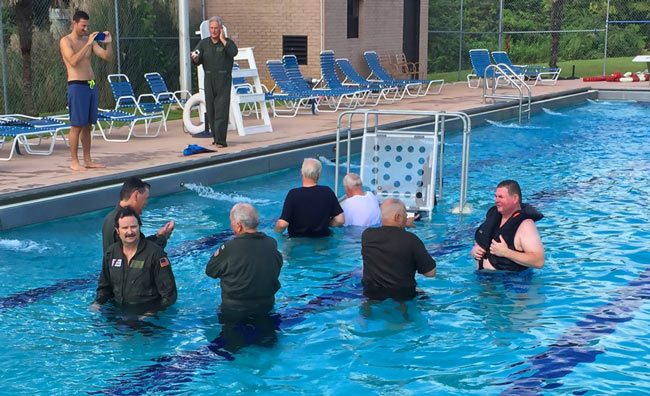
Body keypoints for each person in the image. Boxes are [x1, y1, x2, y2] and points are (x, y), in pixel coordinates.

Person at [206, 203, 283, 315]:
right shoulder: (271, 243)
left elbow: (210, 271)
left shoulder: (229, 247)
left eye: (231, 222)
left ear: (239, 226)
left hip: (235, 310)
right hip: (266, 307)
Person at [59, 10, 112, 171]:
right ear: (74, 23)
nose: (85, 29)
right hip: (76, 84)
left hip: (90, 84)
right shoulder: (66, 41)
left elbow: (106, 56)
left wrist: (108, 43)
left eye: (87, 26)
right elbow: (73, 61)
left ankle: (87, 160)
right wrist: (88, 44)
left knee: (88, 125)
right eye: (83, 25)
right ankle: (74, 161)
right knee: (77, 125)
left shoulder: (87, 39)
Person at [94, 207, 177, 309]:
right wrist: (97, 303)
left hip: (147, 316)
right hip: (118, 313)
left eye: (133, 227)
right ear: (117, 230)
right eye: (125, 228)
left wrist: (150, 314)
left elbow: (169, 295)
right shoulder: (111, 253)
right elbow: (104, 287)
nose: (130, 232)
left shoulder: (155, 254)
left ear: (139, 227)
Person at [361, 198, 436, 301]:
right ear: (397, 216)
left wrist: (402, 223)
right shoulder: (411, 240)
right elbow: (431, 273)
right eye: (405, 214)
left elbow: (388, 231)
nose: (406, 217)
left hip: (372, 293)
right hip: (403, 295)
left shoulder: (367, 236)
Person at [471, 180, 545, 271]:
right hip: (484, 278)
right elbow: (484, 237)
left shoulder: (526, 225)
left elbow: (539, 261)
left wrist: (506, 252)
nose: (496, 200)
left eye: (501, 197)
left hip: (512, 281)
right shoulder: (494, 216)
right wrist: (476, 249)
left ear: (514, 198)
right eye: (496, 196)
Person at [191, 16, 238, 148]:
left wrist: (223, 39)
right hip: (209, 79)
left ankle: (221, 140)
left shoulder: (227, 43)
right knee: (211, 109)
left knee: (221, 109)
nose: (213, 31)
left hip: (223, 79)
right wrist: (195, 58)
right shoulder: (204, 43)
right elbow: (197, 58)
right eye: (211, 28)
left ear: (221, 29)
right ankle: (216, 137)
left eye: (216, 28)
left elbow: (233, 52)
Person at [101, 177, 174, 254]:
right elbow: (142, 255)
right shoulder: (125, 221)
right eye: (145, 198)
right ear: (136, 195)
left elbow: (140, 244)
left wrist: (157, 236)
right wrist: (163, 239)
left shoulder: (111, 217)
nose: (146, 203)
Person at [275, 158, 344, 237]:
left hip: (298, 242)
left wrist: (276, 234)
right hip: (322, 240)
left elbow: (282, 225)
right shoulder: (327, 191)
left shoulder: (293, 194)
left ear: (301, 172)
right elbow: (340, 220)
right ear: (318, 175)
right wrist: (326, 224)